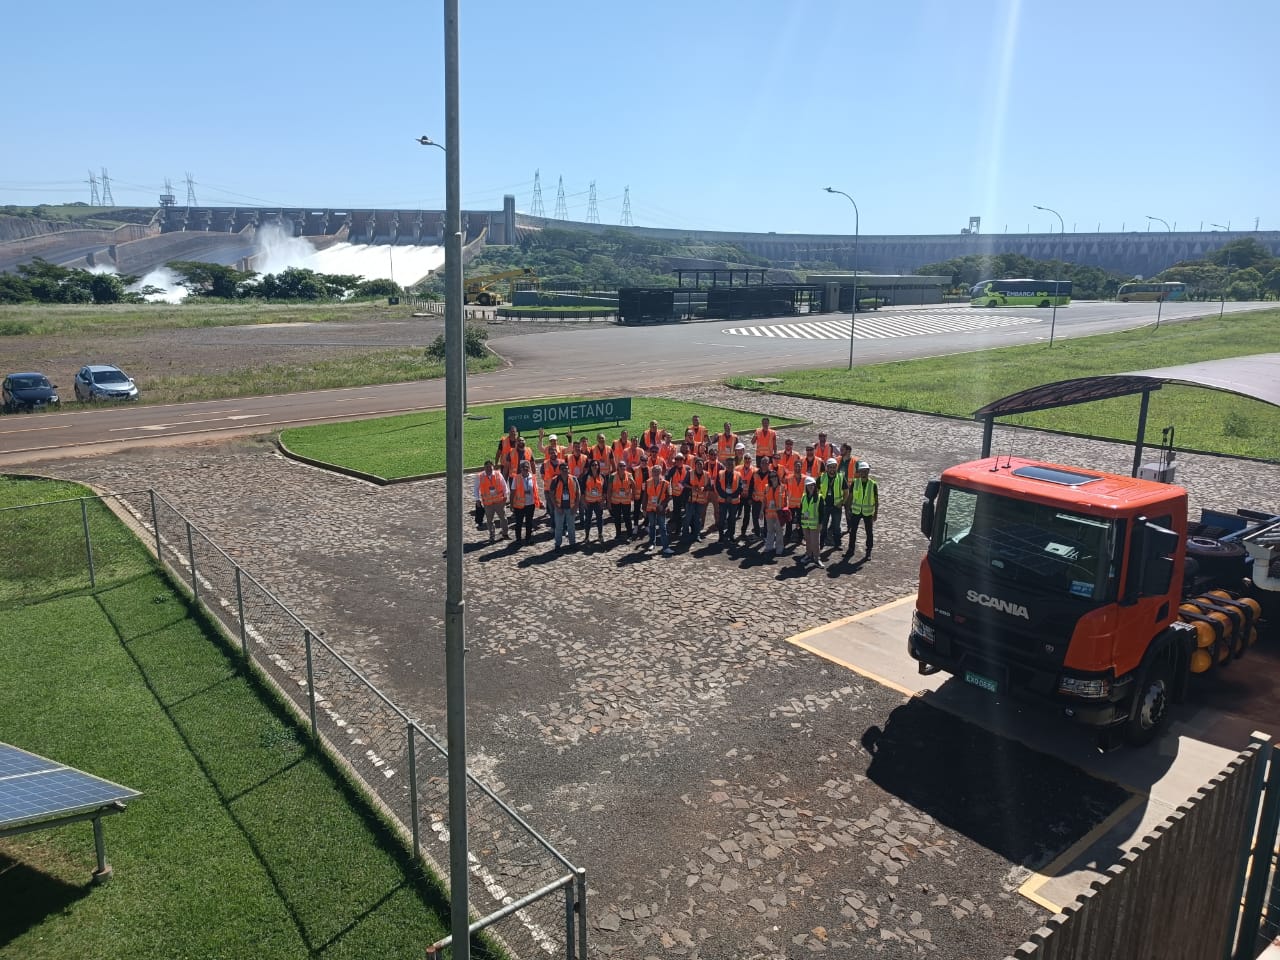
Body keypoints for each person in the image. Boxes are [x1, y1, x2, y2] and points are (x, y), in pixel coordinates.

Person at [845, 459, 879, 560]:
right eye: (862, 471)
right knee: (853, 531)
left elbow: (876, 500)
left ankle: (868, 551)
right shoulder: (855, 483)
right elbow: (850, 497)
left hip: (867, 513)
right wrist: (847, 510)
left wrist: (875, 513)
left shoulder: (873, 484)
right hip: (856, 511)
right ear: (859, 472)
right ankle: (850, 550)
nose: (863, 473)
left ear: (868, 471)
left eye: (865, 471)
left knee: (869, 532)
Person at [547, 461, 579, 550]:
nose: (565, 470)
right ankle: (557, 544)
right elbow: (551, 494)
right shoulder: (555, 480)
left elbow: (578, 493)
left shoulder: (574, 479)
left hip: (571, 507)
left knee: (571, 526)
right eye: (563, 469)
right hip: (559, 508)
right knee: (559, 527)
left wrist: (576, 506)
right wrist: (556, 507)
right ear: (560, 471)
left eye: (566, 469)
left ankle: (572, 543)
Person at [642, 463, 673, 555]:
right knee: (652, 526)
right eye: (654, 471)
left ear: (660, 472)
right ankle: (652, 543)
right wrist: (643, 508)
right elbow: (645, 496)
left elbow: (669, 496)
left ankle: (665, 547)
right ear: (651, 472)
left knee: (662, 527)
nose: (655, 473)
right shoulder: (647, 482)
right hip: (650, 508)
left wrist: (663, 505)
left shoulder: (666, 483)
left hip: (660, 509)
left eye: (657, 471)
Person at [475, 460, 509, 542]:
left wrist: (505, 495)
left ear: (493, 467)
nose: (489, 469)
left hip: (499, 501)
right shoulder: (480, 476)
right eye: (487, 467)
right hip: (488, 503)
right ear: (484, 468)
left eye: (490, 467)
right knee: (490, 521)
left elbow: (504, 485)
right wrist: (477, 500)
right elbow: (476, 489)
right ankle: (492, 535)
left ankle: (505, 533)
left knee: (503, 518)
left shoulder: (498, 474)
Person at [509, 459, 541, 544]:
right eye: (523, 468)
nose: (525, 469)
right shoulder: (517, 478)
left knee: (529, 522)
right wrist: (511, 504)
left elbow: (536, 491)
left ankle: (528, 538)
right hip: (519, 505)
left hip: (530, 504)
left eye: (527, 467)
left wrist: (539, 502)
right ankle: (518, 539)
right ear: (521, 469)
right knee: (519, 523)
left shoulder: (533, 477)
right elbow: (513, 492)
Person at [817, 457, 846, 552]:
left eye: (834, 467)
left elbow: (846, 491)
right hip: (825, 506)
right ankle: (821, 543)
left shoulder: (841, 477)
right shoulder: (821, 477)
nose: (832, 469)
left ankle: (837, 544)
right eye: (830, 467)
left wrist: (842, 503)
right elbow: (816, 492)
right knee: (823, 526)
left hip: (836, 506)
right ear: (827, 468)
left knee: (836, 526)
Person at [683, 457, 712, 541]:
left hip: (701, 501)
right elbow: (684, 483)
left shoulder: (707, 474)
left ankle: (697, 535)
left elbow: (710, 486)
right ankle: (685, 534)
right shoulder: (690, 473)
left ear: (703, 466)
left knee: (698, 519)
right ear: (695, 465)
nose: (699, 466)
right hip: (690, 499)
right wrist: (692, 487)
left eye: (701, 464)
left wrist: (704, 488)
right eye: (698, 464)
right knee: (688, 518)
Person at [715, 458, 744, 542]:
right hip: (723, 500)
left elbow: (740, 487)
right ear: (725, 465)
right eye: (728, 464)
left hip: (733, 501)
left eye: (732, 464)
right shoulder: (720, 473)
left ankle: (731, 535)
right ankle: (721, 536)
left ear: (734, 465)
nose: (730, 466)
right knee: (722, 519)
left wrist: (731, 496)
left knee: (732, 519)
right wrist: (725, 496)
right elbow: (718, 487)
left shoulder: (738, 474)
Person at [607, 458, 636, 540]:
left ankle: (630, 535)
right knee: (617, 518)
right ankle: (618, 534)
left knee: (627, 518)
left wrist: (633, 495)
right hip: (615, 501)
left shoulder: (629, 475)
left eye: (624, 466)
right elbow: (609, 489)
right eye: (621, 466)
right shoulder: (612, 476)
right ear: (617, 467)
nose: (622, 467)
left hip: (626, 501)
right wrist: (608, 502)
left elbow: (634, 486)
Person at [581, 459, 607, 543]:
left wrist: (603, 502)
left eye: (596, 465)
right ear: (590, 467)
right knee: (588, 519)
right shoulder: (586, 477)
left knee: (599, 519)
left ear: (598, 466)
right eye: (593, 465)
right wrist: (584, 502)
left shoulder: (602, 476)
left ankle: (600, 534)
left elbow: (605, 490)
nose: (595, 467)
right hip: (589, 502)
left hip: (598, 502)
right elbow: (582, 491)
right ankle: (587, 536)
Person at [761, 470, 786, 558]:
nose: (773, 478)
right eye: (771, 477)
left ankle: (779, 548)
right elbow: (764, 500)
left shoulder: (783, 487)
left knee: (779, 531)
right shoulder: (767, 487)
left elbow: (786, 500)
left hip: (779, 513)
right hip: (769, 513)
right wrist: (761, 511)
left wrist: (786, 511)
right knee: (770, 531)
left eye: (774, 476)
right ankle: (769, 547)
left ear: (777, 477)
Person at [799, 476, 823, 567]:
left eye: (812, 485)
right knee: (808, 541)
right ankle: (808, 555)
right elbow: (801, 510)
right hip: (805, 523)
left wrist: (820, 523)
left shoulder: (819, 497)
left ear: (815, 486)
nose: (811, 487)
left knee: (815, 542)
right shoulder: (804, 497)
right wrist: (799, 522)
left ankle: (817, 558)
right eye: (809, 486)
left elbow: (821, 512)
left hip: (814, 524)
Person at [667, 452, 690, 539]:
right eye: (677, 459)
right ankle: (678, 529)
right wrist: (668, 493)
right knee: (677, 512)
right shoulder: (672, 470)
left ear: (683, 460)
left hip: (686, 494)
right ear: (675, 461)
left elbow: (692, 479)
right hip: (676, 495)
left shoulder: (688, 469)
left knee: (688, 511)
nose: (679, 461)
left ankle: (687, 528)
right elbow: (667, 481)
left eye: (681, 459)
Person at [785, 458, 806, 544]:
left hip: (801, 504)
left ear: (801, 467)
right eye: (796, 466)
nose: (797, 468)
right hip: (791, 504)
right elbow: (785, 490)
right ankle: (787, 536)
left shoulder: (805, 478)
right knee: (789, 521)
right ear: (794, 467)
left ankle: (801, 537)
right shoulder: (788, 478)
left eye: (799, 466)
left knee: (801, 521)